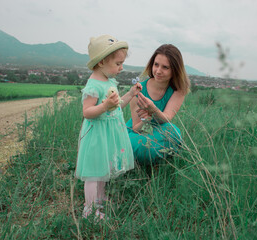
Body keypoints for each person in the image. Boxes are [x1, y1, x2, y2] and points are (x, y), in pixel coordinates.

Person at [75, 35, 142, 219]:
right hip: (96, 135)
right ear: (103, 62)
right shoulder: (94, 85)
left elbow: (117, 106)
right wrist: (104, 106)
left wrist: (130, 94)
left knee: (103, 169)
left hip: (108, 134)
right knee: (93, 173)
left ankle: (100, 199)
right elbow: (87, 112)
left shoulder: (109, 81)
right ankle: (89, 209)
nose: (121, 68)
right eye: (118, 64)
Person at [126, 44, 190, 165]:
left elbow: (167, 118)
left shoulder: (178, 90)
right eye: (156, 65)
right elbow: (135, 128)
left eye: (165, 67)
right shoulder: (138, 89)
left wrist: (153, 109)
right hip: (139, 130)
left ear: (175, 70)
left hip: (161, 128)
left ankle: (154, 161)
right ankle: (143, 162)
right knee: (141, 146)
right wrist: (146, 120)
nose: (158, 71)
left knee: (174, 133)